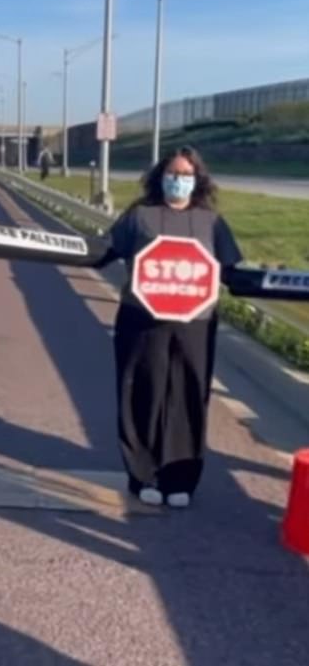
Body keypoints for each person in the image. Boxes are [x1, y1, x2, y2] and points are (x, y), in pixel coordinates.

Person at [95, 146, 243, 508]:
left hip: (195, 325)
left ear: (197, 181)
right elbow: (102, 251)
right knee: (142, 395)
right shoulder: (139, 217)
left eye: (186, 175)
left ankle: (180, 480)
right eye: (173, 173)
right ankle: (142, 475)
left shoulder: (211, 223)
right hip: (142, 323)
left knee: (188, 398)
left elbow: (232, 270)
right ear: (160, 176)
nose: (178, 180)